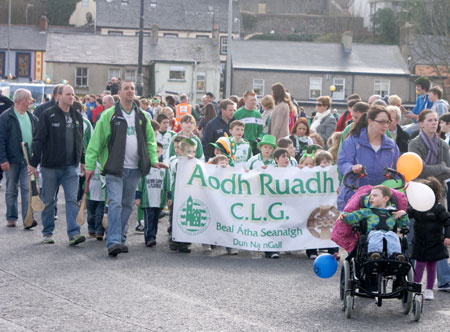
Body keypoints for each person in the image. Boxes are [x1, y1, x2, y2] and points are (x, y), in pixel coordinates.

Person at [85, 80, 167, 257]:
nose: (130, 91)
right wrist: (90, 165)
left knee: (128, 205)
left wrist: (153, 159)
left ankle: (119, 237)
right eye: (126, 89)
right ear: (119, 93)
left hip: (134, 169)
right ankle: (113, 240)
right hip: (114, 168)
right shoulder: (109, 115)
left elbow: (150, 141)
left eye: (132, 89)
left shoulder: (143, 116)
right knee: (115, 202)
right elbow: (96, 142)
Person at [28, 85, 86, 245]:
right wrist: (34, 162)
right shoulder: (48, 115)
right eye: (68, 94)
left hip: (71, 167)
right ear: (59, 96)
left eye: (73, 95)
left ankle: (74, 233)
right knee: (48, 200)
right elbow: (39, 139)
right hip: (50, 166)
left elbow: (80, 141)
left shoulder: (77, 116)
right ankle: (47, 232)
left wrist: (82, 161)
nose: (71, 97)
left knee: (72, 200)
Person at [337, 105, 400, 211]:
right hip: (354, 199)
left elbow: (397, 171)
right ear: (370, 121)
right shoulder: (353, 141)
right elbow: (343, 163)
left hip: (381, 204)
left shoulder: (391, 146)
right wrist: (351, 168)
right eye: (381, 122)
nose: (385, 125)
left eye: (387, 122)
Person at [407, 177, 450, 300]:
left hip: (435, 242)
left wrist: (447, 236)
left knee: (432, 266)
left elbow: (448, 222)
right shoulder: (417, 207)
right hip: (420, 242)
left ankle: (429, 289)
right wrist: (401, 213)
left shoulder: (438, 208)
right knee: (419, 265)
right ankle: (416, 286)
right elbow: (407, 213)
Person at [340, 185, 409, 261]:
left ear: (386, 198)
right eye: (370, 195)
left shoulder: (392, 213)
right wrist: (345, 216)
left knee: (393, 235)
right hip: (372, 235)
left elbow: (403, 224)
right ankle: (374, 253)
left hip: (389, 235)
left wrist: (403, 214)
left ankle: (396, 255)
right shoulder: (367, 211)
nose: (371, 197)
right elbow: (354, 217)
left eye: (375, 195)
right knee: (377, 234)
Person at [0, 89, 37, 228]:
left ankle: (28, 219)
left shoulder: (32, 116)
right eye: (29, 99)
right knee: (11, 189)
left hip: (27, 160)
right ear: (22, 100)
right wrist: (2, 159)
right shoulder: (6, 117)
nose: (31, 101)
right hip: (12, 160)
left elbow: (37, 136)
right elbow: (1, 140)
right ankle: (11, 217)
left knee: (27, 189)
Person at [135, 142, 170, 247]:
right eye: (153, 152)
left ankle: (153, 236)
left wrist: (169, 197)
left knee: (155, 219)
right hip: (147, 200)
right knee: (149, 218)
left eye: (158, 152)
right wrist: (137, 197)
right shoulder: (145, 168)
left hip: (159, 201)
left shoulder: (164, 168)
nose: (156, 154)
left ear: (162, 152)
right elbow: (139, 183)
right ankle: (149, 237)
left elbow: (168, 183)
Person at [168, 138, 196, 253]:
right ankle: (174, 240)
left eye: (193, 152)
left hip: (188, 195)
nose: (191, 154)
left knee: (186, 218)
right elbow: (176, 168)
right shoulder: (175, 160)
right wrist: (185, 160)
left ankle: (185, 243)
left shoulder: (195, 162)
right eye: (188, 151)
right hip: (177, 195)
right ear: (180, 151)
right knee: (174, 218)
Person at [234, 90, 263, 154]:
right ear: (245, 100)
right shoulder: (238, 114)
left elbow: (260, 131)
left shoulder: (258, 114)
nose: (254, 102)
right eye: (251, 100)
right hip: (241, 147)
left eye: (255, 100)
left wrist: (259, 139)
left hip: (255, 147)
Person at [85, 161, 106, 240]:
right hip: (90, 195)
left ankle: (99, 232)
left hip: (102, 195)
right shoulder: (90, 162)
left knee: (99, 214)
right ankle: (91, 229)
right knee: (90, 214)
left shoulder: (104, 162)